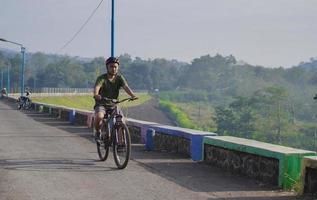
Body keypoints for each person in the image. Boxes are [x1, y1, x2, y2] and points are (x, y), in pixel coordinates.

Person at [93, 56, 138, 141]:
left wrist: (132, 95)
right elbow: (97, 87)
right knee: (99, 116)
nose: (113, 69)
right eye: (111, 66)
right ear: (107, 67)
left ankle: (120, 143)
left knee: (121, 121)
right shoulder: (102, 78)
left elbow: (126, 87)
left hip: (114, 104)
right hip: (102, 104)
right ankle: (98, 131)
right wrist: (96, 94)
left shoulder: (119, 78)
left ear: (118, 68)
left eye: (115, 67)